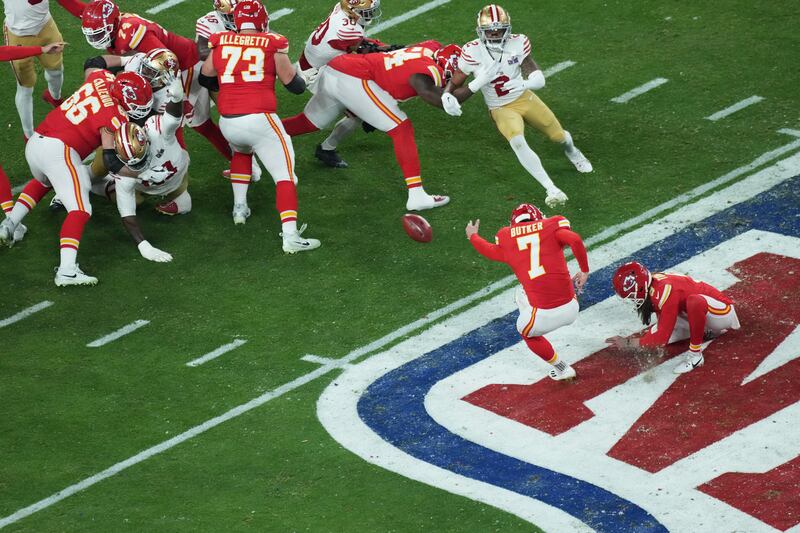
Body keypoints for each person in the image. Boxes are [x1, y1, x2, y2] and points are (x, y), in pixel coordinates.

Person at [0, 69, 153, 286]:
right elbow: (110, 160)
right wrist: (140, 173)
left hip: (37, 142)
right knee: (81, 210)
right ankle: (67, 271)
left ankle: (10, 224)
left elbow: (92, 68)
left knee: (47, 181)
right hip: (59, 152)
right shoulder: (114, 115)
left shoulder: (103, 78)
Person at [281, 41, 466, 211]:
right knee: (401, 128)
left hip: (340, 69)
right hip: (354, 78)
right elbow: (432, 94)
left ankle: (261, 136)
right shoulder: (429, 72)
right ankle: (416, 195)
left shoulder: (432, 47)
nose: (458, 78)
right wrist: (475, 85)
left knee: (308, 122)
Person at [442, 4, 592, 209]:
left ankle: (573, 152)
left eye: (499, 29)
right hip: (499, 106)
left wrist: (525, 83)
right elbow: (457, 80)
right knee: (518, 142)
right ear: (480, 31)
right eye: (490, 30)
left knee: (559, 136)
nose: (495, 34)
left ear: (508, 27)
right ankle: (551, 188)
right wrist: (446, 94)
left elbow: (536, 75)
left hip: (523, 96)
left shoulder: (518, 42)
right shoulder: (472, 51)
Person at [199, 0, 320, 253]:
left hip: (228, 121)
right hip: (259, 118)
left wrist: (235, 82)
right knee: (286, 175)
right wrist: (304, 77)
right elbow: (293, 86)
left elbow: (205, 77)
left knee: (242, 152)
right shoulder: (272, 42)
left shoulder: (220, 40)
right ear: (262, 21)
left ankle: (239, 209)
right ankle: (290, 237)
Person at [76, 0, 231, 159]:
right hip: (164, 69)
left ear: (114, 23)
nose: (97, 38)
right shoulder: (115, 27)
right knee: (199, 125)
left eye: (100, 33)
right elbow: (79, 10)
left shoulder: (132, 33)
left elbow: (167, 61)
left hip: (184, 66)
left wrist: (178, 97)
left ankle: (176, 168)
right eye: (94, 33)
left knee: (174, 124)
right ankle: (241, 162)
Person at [466, 203, 589, 380]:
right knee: (535, 287)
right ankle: (533, 303)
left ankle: (561, 368)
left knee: (525, 330)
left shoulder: (507, 237)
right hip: (572, 308)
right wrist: (584, 270)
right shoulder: (552, 226)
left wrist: (473, 236)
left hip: (544, 317)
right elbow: (575, 240)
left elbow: (488, 250)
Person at [95, 75, 188, 263]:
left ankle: (86, 181)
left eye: (140, 158)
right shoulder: (125, 172)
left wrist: (177, 99)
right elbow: (127, 212)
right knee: (135, 200)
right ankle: (88, 182)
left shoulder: (155, 131)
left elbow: (171, 120)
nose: (139, 165)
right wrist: (143, 245)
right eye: (133, 164)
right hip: (164, 181)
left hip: (175, 177)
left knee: (182, 205)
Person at [297, 0, 392, 168]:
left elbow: (359, 46)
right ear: (353, 11)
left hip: (319, 61)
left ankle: (327, 148)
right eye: (367, 11)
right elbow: (363, 49)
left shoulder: (341, 11)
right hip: (316, 74)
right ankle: (265, 136)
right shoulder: (349, 30)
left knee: (361, 107)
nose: (370, 14)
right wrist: (390, 49)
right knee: (309, 123)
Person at [607, 261, 741, 373]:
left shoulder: (664, 291)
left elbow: (660, 338)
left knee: (694, 302)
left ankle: (696, 356)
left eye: (631, 296)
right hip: (700, 313)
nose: (632, 299)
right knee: (657, 334)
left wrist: (628, 343)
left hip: (723, 313)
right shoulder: (653, 287)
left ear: (640, 288)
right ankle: (707, 330)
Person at [2, 0, 71, 140]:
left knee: (56, 70)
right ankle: (29, 135)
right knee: (25, 88)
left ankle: (54, 97)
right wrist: (41, 50)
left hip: (46, 26)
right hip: (17, 36)